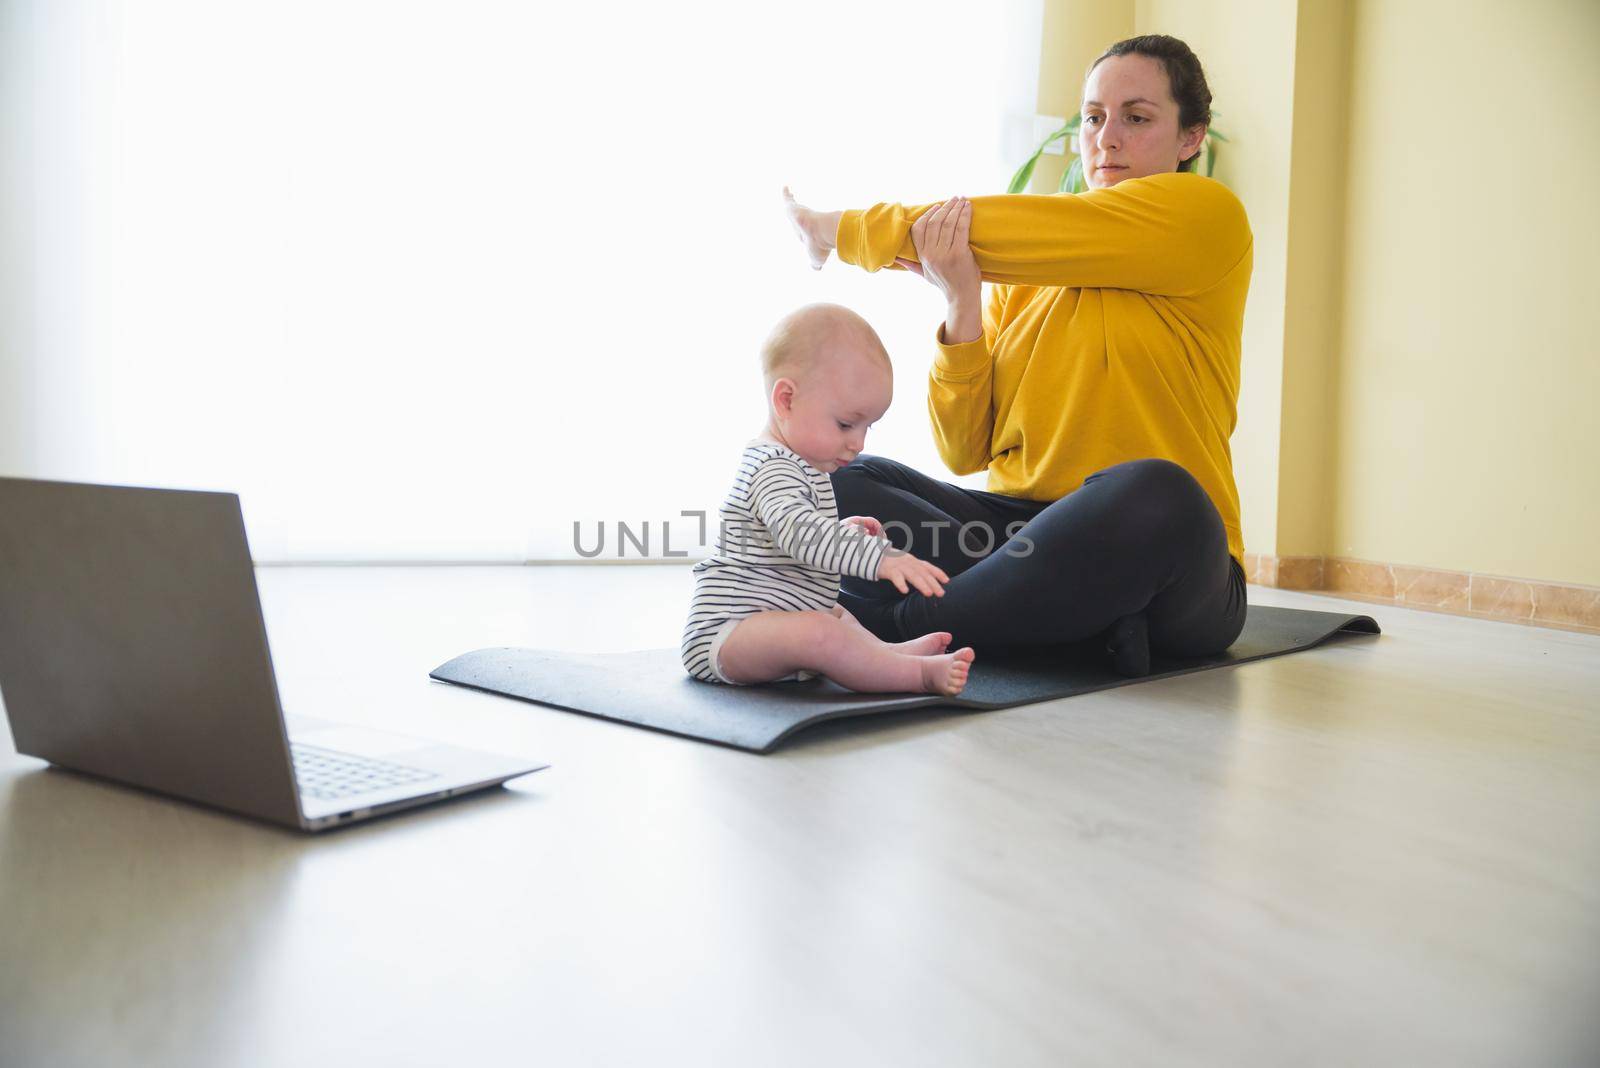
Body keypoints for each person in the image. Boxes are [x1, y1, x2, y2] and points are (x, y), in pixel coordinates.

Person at [782, 34, 1251, 677]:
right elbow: (965, 451)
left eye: (1136, 118)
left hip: (1165, 562)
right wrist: (962, 301)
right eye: (1093, 117)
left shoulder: (1209, 218)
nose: (1106, 138)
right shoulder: (1025, 272)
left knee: (1156, 492)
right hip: (1020, 541)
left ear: (1190, 138)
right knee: (831, 479)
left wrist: (840, 230)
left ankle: (899, 630)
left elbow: (980, 226)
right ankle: (1067, 626)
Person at [680, 302, 976, 696]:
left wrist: (842, 531)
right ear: (785, 400)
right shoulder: (771, 466)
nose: (858, 443)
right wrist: (877, 558)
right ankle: (916, 676)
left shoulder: (804, 466)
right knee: (822, 630)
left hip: (773, 620)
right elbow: (801, 535)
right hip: (726, 634)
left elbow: (786, 540)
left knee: (836, 614)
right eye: (845, 424)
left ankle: (890, 654)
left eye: (867, 426)